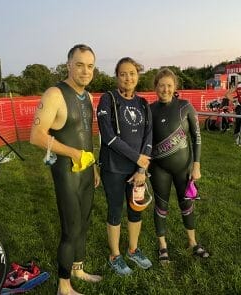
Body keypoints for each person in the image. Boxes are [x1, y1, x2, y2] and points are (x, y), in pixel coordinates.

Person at [30, 44, 101, 295]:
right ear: (68, 65)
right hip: (66, 171)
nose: (85, 71)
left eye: (90, 66)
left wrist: (93, 167)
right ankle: (63, 285)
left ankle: (78, 269)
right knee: (71, 226)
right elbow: (36, 136)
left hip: (85, 169)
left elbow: (85, 137)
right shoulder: (55, 94)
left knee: (84, 222)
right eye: (79, 64)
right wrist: (73, 153)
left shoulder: (89, 96)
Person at [97, 57, 153, 275]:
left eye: (132, 73)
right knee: (115, 210)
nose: (128, 77)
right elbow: (109, 137)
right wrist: (137, 158)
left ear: (138, 76)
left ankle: (132, 250)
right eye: (123, 74)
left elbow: (149, 136)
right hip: (113, 167)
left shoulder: (143, 103)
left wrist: (141, 169)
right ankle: (115, 255)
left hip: (137, 171)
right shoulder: (107, 99)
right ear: (117, 77)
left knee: (135, 210)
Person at [149, 68, 209, 264]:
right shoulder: (150, 110)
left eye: (169, 85)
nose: (165, 89)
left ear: (175, 87)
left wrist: (197, 165)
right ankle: (162, 246)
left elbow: (197, 137)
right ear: (155, 87)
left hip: (184, 168)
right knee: (161, 206)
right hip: (158, 168)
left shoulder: (185, 107)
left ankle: (192, 242)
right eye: (161, 85)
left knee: (186, 204)